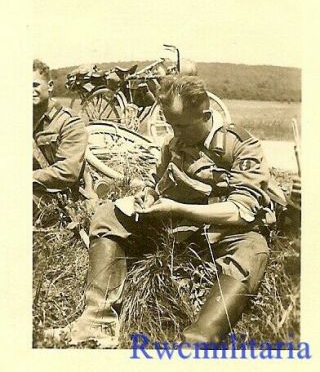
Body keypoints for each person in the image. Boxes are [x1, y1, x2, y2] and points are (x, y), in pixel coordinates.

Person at [46, 75, 274, 348]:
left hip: (228, 230)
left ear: (206, 115)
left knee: (251, 252)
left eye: (181, 126)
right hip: (179, 225)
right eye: (170, 124)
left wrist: (178, 208)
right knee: (108, 215)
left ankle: (196, 341)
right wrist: (150, 195)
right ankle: (98, 323)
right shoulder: (173, 143)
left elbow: (241, 211)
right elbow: (160, 182)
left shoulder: (241, 146)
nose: (175, 133)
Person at [33, 59, 93, 220]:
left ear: (50, 86)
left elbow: (67, 171)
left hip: (60, 197)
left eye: (34, 85)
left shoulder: (69, 122)